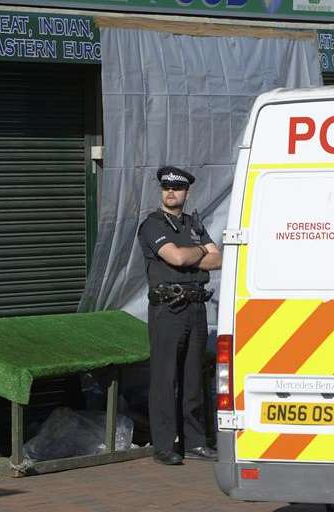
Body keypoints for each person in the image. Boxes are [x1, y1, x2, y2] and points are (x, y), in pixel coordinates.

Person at [137, 166, 222, 465]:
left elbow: (219, 258)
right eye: (166, 188)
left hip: (195, 307)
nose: (170, 192)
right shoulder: (152, 224)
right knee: (164, 379)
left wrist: (194, 252)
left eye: (176, 188)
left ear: (187, 192)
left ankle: (195, 442)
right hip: (168, 309)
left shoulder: (193, 223)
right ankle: (164, 446)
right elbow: (176, 256)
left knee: (192, 380)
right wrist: (200, 251)